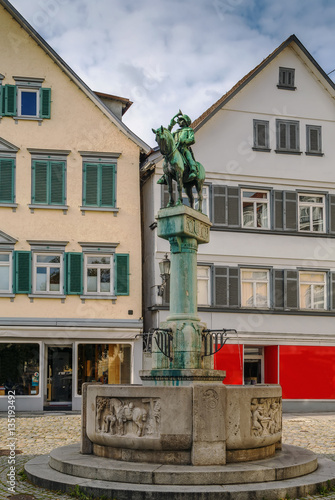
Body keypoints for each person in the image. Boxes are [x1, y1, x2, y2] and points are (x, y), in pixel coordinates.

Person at [157, 111, 198, 184]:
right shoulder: (176, 132)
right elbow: (168, 135)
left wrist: (184, 141)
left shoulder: (189, 130)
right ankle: (165, 174)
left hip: (183, 148)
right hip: (175, 148)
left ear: (185, 122)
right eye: (179, 121)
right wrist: (170, 125)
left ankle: (193, 170)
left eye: (181, 120)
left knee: (188, 157)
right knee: (168, 158)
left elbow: (192, 140)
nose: (179, 122)